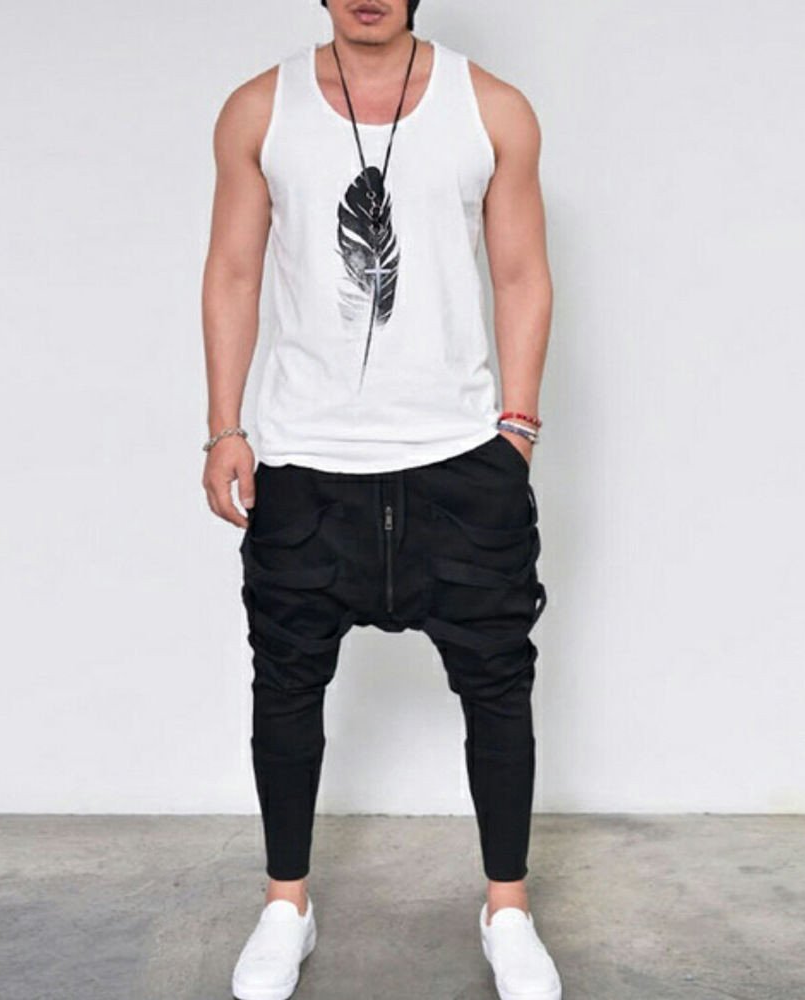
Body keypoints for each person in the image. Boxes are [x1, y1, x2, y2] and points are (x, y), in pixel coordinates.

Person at [201, 2, 560, 997]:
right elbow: (232, 270)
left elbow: (521, 272)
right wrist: (226, 427)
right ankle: (286, 905)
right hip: (305, 463)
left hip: (458, 464)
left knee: (498, 687)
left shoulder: (493, 108)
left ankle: (507, 910)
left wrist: (516, 430)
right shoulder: (258, 110)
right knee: (285, 688)